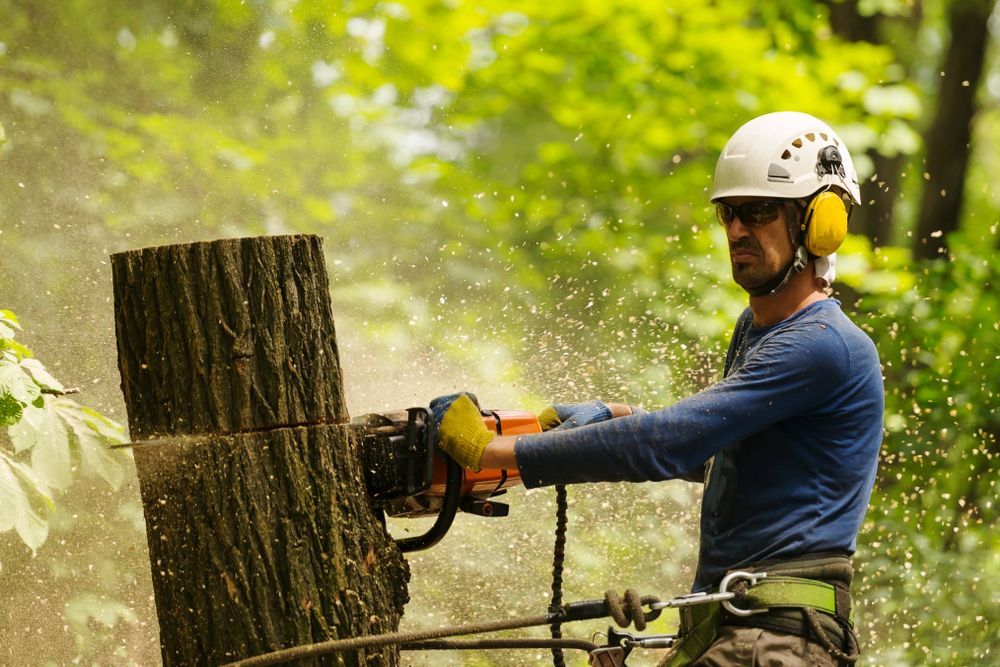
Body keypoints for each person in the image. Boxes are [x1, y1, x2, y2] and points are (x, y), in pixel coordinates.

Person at [432, 111, 884, 666]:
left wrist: (494, 451)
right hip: (740, 625)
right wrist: (616, 416)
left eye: (760, 212)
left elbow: (673, 441)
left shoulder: (822, 345)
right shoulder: (760, 329)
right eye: (728, 213)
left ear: (822, 222)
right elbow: (726, 451)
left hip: (776, 640)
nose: (738, 230)